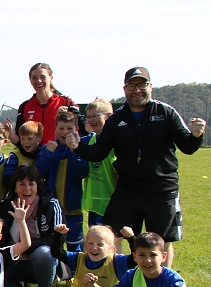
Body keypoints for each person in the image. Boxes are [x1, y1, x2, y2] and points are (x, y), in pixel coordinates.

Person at [69, 67, 206, 266]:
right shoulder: (116, 119)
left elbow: (187, 146)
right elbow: (98, 152)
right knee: (113, 234)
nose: (137, 90)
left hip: (161, 188)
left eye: (142, 85)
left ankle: (160, 282)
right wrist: (78, 146)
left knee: (161, 240)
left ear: (150, 86)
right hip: (128, 188)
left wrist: (196, 135)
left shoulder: (166, 113)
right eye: (132, 86)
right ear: (125, 89)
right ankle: (120, 278)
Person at [0, 166, 62, 287]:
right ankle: (16, 286)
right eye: (22, 184)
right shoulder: (7, 205)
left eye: (31, 184)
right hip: (13, 261)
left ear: (37, 187)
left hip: (40, 262)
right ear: (15, 189)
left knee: (44, 253)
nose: (27, 188)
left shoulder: (51, 205)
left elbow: (57, 238)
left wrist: (25, 246)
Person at [36, 110, 89, 251]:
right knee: (53, 244)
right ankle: (55, 272)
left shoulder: (80, 148)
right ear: (55, 130)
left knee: (74, 245)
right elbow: (39, 171)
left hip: (73, 207)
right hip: (52, 207)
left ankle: (74, 272)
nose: (65, 132)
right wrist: (48, 152)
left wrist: (75, 150)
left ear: (76, 130)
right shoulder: (49, 147)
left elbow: (82, 172)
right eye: (61, 128)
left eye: (69, 128)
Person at [10, 62, 77, 146]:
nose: (38, 81)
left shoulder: (66, 102)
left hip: (62, 156)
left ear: (51, 78)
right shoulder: (24, 107)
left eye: (42, 77)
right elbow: (20, 139)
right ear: (30, 80)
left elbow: (82, 129)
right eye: (34, 78)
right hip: (34, 158)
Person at [80, 98, 116, 226]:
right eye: (88, 117)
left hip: (109, 202)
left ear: (109, 117)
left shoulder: (116, 142)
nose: (91, 120)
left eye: (95, 116)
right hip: (93, 202)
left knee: (106, 241)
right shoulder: (91, 140)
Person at [2, 121, 43, 186]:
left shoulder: (44, 154)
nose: (26, 142)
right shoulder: (15, 156)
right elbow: (6, 180)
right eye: (22, 139)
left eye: (29, 138)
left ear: (39, 138)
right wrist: (20, 171)